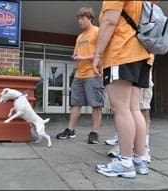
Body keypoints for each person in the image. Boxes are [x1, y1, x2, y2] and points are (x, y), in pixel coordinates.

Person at [93, 1, 155, 178]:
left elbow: (110, 21)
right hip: (142, 55)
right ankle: (139, 159)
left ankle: (125, 162)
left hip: (121, 52)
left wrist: (98, 54)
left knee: (121, 108)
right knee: (135, 109)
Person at [56, 7, 105, 144]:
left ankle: (95, 133)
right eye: (78, 18)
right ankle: (70, 130)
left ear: (90, 18)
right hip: (79, 74)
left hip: (93, 73)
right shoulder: (80, 37)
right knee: (76, 103)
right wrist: (76, 56)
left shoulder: (97, 32)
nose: (80, 21)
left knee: (96, 104)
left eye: (82, 18)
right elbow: (77, 53)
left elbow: (102, 53)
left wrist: (84, 57)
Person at [106, 57, 154, 163]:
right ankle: (139, 155)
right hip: (141, 60)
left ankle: (129, 157)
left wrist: (97, 55)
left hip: (126, 57)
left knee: (126, 109)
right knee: (134, 109)